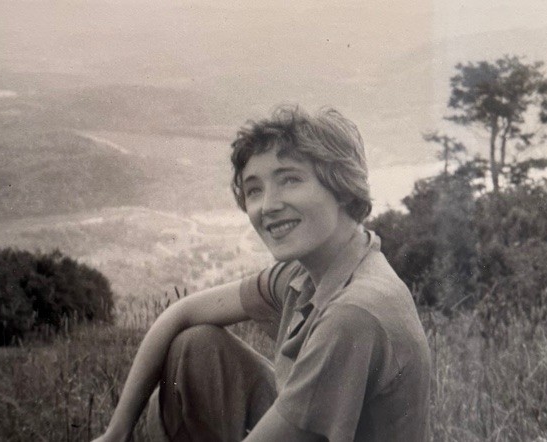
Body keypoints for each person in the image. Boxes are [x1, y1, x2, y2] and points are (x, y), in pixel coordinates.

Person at [93, 106, 431, 442]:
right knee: (196, 348)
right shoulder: (309, 272)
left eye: (290, 180)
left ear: (342, 187)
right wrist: (116, 432)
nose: (268, 205)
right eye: (254, 189)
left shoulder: (353, 313)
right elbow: (181, 313)